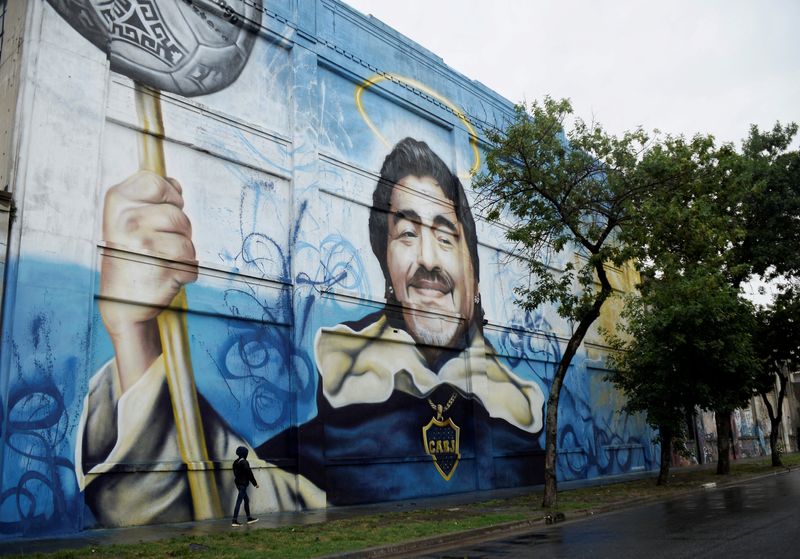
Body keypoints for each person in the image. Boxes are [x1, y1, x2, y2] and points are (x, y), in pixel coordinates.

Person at [76, 138, 545, 524]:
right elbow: (175, 498)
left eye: (446, 237)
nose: (426, 260)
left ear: (475, 273)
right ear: (386, 266)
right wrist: (135, 332)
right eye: (406, 234)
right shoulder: (346, 410)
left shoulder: (519, 416)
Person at [231, 446, 259, 526]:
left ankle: (249, 518)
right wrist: (255, 484)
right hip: (243, 485)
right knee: (239, 502)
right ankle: (234, 520)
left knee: (246, 500)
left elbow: (236, 474)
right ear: (244, 454)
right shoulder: (244, 462)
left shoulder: (235, 462)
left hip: (238, 484)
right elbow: (249, 473)